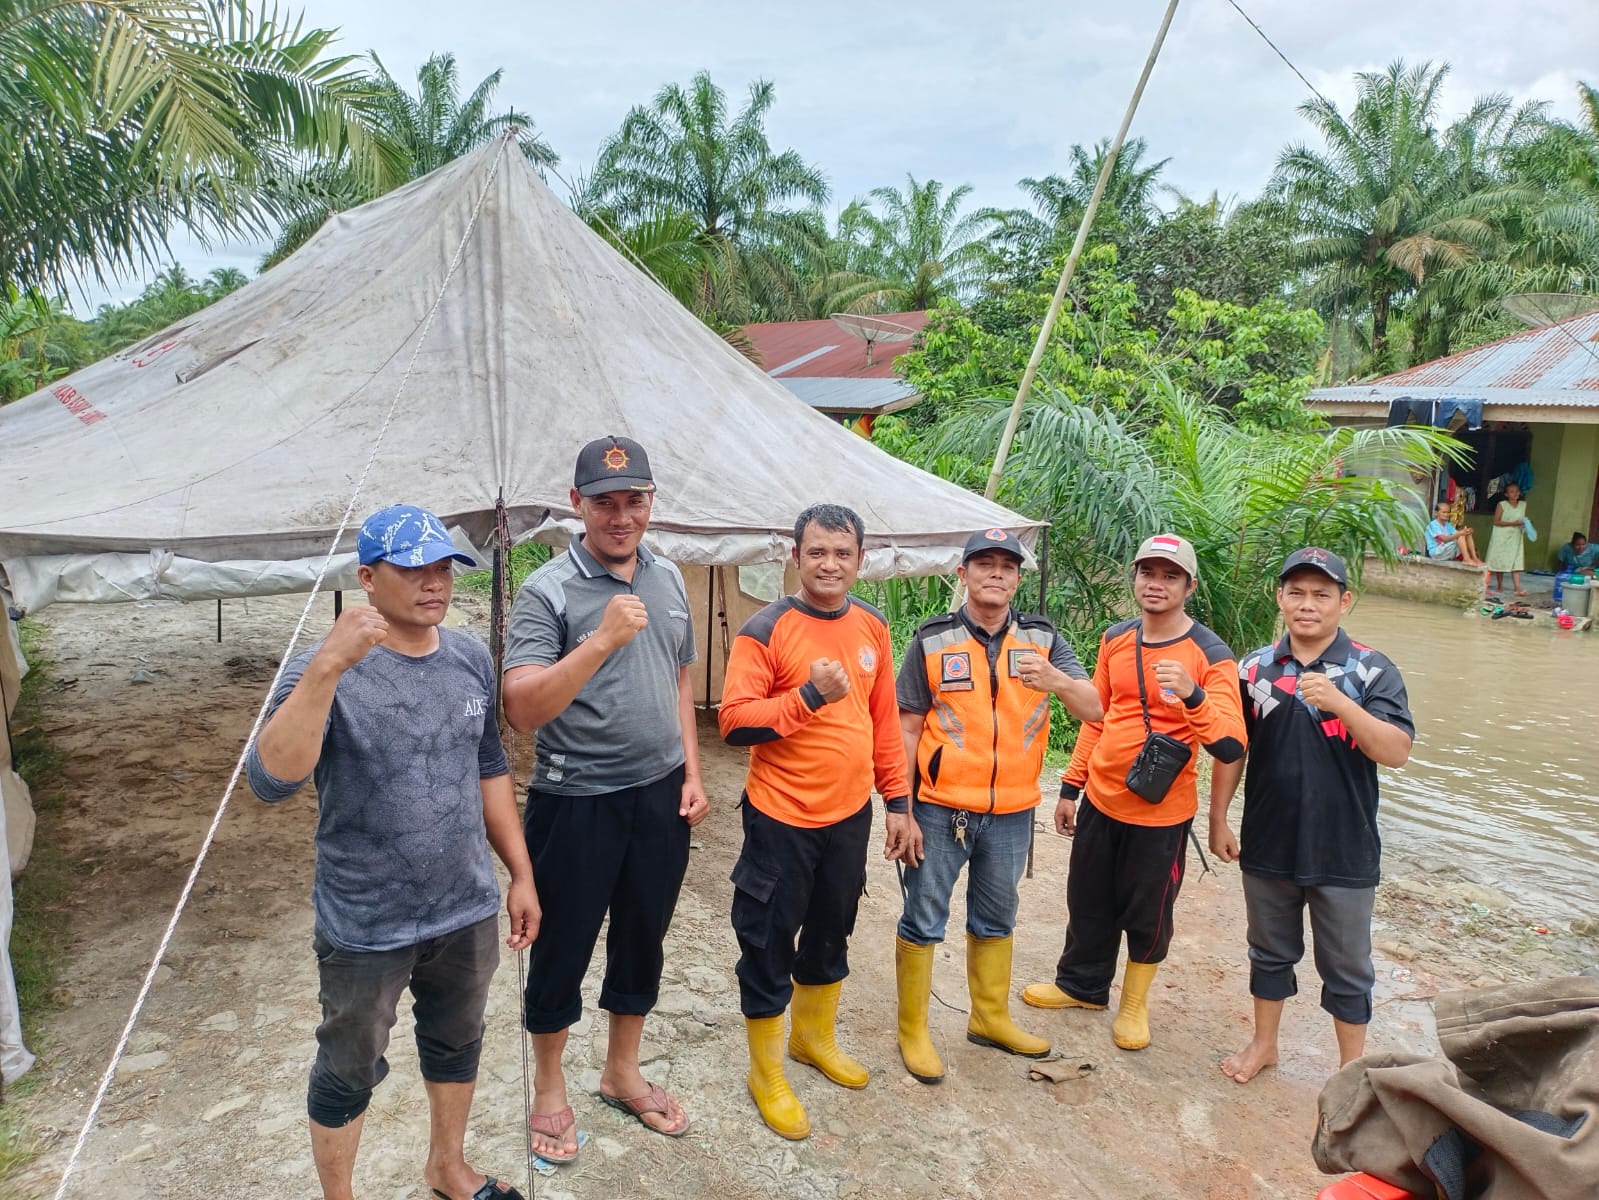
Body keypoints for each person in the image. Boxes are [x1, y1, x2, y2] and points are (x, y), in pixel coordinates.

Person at [247, 504, 538, 1200]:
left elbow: (490, 768)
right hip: (365, 922)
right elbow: (270, 780)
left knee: (457, 1041)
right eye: (414, 569)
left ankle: (448, 1168)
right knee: (348, 1066)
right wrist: (327, 669)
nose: (434, 583)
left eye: (443, 567)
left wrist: (520, 873)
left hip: (462, 907)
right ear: (369, 578)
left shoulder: (467, 657)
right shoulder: (320, 668)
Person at [501, 436, 707, 1163]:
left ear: (651, 501)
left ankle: (621, 1071)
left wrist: (690, 770)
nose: (620, 517)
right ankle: (549, 1087)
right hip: (576, 798)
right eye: (604, 502)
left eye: (634, 501)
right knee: (562, 945)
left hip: (658, 795)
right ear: (576, 503)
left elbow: (680, 678)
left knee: (641, 937)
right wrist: (598, 641)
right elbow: (521, 708)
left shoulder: (669, 576)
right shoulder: (547, 590)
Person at [719, 504, 915, 1140]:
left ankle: (812, 1039)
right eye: (817, 552)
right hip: (781, 816)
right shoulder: (766, 627)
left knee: (834, 926)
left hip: (849, 816)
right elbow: (734, 722)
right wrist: (806, 697)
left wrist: (897, 802)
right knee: (770, 936)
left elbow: (884, 722)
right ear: (795, 557)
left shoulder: (874, 627)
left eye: (842, 552)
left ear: (861, 559)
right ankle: (765, 1071)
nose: (830, 564)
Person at [893, 528, 1103, 1084]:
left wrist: (1056, 679)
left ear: (1017, 577)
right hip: (940, 811)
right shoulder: (931, 640)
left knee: (996, 916)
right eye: (982, 564)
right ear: (961, 574)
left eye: (1006, 566)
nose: (996, 574)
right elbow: (907, 727)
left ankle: (989, 1016)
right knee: (923, 917)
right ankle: (913, 1029)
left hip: (1012, 812)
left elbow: (1095, 709)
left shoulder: (1044, 639)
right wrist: (902, 807)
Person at [1022, 534, 1246, 1052]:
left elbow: (1230, 742)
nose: (1156, 584)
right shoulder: (1116, 638)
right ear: (1135, 579)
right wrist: (1070, 787)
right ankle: (1082, 987)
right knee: (1088, 898)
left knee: (1149, 911)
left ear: (1189, 586)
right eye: (1148, 573)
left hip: (1162, 812)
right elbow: (1098, 715)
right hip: (1102, 796)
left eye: (1170, 576)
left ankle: (1133, 1004)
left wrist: (1191, 694)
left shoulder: (1210, 654)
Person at [1210, 547, 1414, 1084]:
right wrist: (1218, 818)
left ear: (1344, 601)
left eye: (1321, 594)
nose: (1307, 605)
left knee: (1347, 966)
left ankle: (1351, 1070)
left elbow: (1395, 751)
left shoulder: (1371, 669)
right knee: (1269, 951)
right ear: (1279, 598)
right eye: (1296, 593)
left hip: (1344, 847)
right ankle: (1264, 1044)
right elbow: (1235, 750)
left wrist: (1342, 703)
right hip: (1269, 840)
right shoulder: (1254, 668)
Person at [1485, 482, 1528, 596]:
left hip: (1516, 536)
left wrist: (1525, 525)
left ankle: (1517, 588)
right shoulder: (1502, 504)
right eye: (1512, 492)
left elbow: (1522, 520)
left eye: (1517, 491)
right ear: (1506, 494)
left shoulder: (1523, 505)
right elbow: (1496, 521)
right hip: (1501, 535)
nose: (1515, 494)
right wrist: (1513, 523)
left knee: (1516, 561)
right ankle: (1500, 586)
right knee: (1500, 560)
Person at [1424, 501, 1483, 566]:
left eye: (1448, 512)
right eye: (1444, 512)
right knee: (1460, 535)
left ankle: (1475, 558)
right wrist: (1460, 533)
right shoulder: (1432, 525)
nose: (1446, 514)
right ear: (1436, 513)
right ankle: (1466, 558)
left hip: (1447, 550)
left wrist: (1467, 531)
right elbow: (1444, 539)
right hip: (1437, 553)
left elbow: (1458, 534)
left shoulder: (1448, 525)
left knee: (1466, 534)